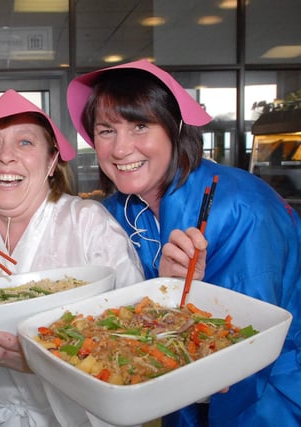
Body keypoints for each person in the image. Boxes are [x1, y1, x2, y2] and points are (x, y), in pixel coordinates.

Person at [67, 59, 301, 427]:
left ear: (175, 128)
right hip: (182, 394)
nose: (121, 149)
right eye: (106, 131)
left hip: (272, 394)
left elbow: (252, 341)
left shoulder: (244, 207)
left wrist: (175, 298)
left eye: (140, 126)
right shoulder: (114, 213)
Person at [0, 89, 145, 426]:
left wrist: (42, 359)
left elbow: (136, 335)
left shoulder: (88, 222)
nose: (6, 157)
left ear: (51, 162)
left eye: (25, 142)